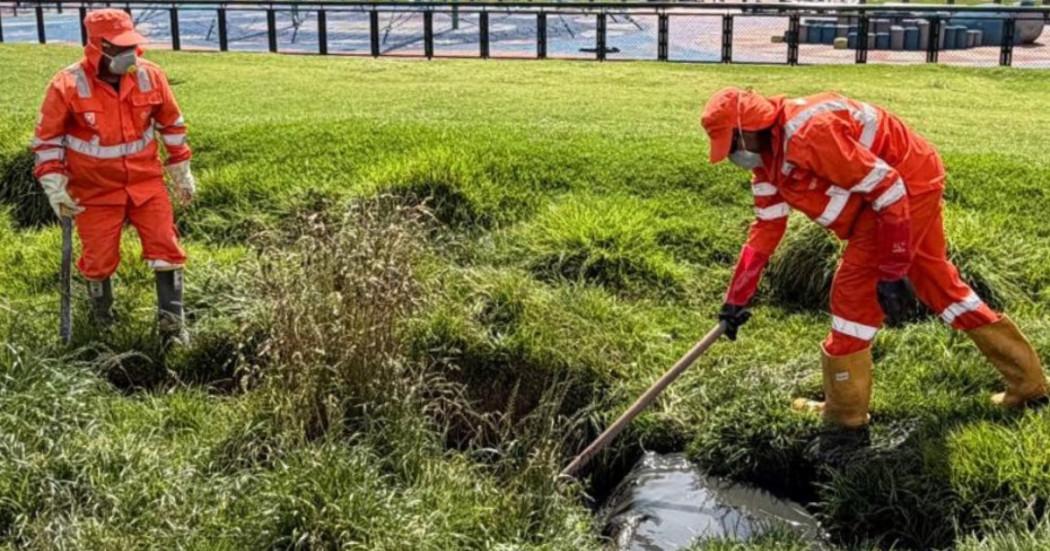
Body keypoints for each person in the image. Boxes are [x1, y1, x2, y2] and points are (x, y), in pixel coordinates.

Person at [699, 87, 1047, 429]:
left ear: (748, 129)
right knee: (938, 284)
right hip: (902, 187)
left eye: (732, 145)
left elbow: (889, 188)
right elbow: (765, 229)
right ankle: (1028, 384)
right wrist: (735, 300)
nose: (732, 155)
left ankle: (844, 414)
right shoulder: (767, 162)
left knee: (852, 296)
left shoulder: (809, 135)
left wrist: (892, 269)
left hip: (904, 191)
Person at [31, 9, 196, 345]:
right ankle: (103, 328)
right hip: (93, 191)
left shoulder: (151, 75)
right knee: (98, 260)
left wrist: (181, 171)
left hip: (146, 183)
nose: (129, 54)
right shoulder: (66, 85)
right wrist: (55, 187)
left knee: (166, 248)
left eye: (131, 46)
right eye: (120, 48)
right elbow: (47, 141)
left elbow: (172, 125)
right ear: (97, 47)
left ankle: (172, 328)